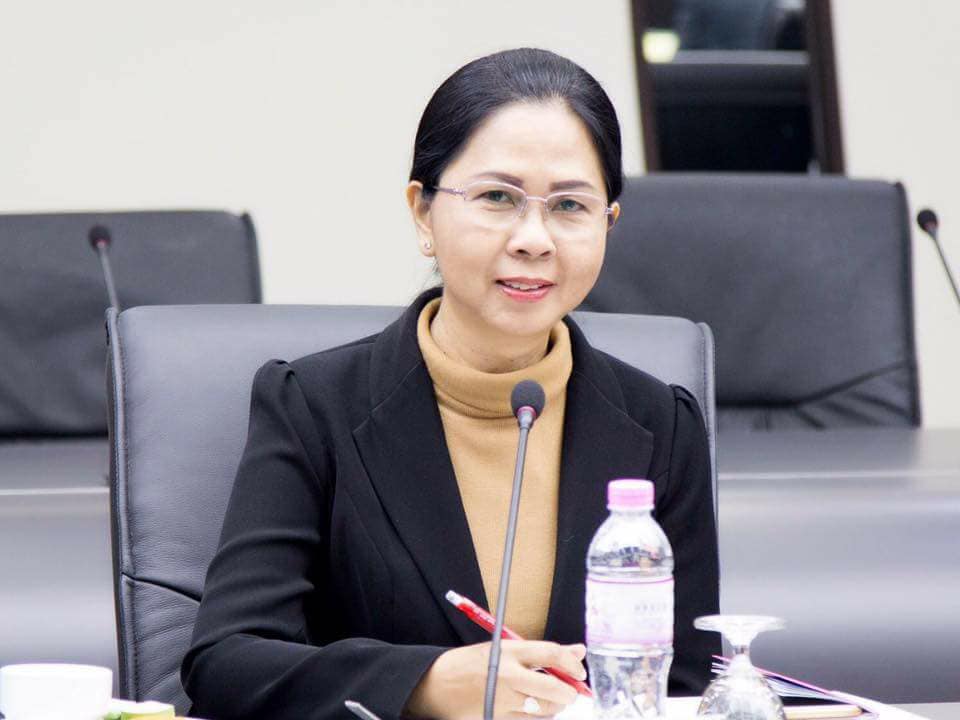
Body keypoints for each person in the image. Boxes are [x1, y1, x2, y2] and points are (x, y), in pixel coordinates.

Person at [181, 48, 719, 720]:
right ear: (422, 213)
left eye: (569, 206)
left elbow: (686, 686)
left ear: (606, 223)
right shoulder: (313, 407)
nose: (534, 239)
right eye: (497, 197)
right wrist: (425, 683)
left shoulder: (661, 425)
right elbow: (226, 661)